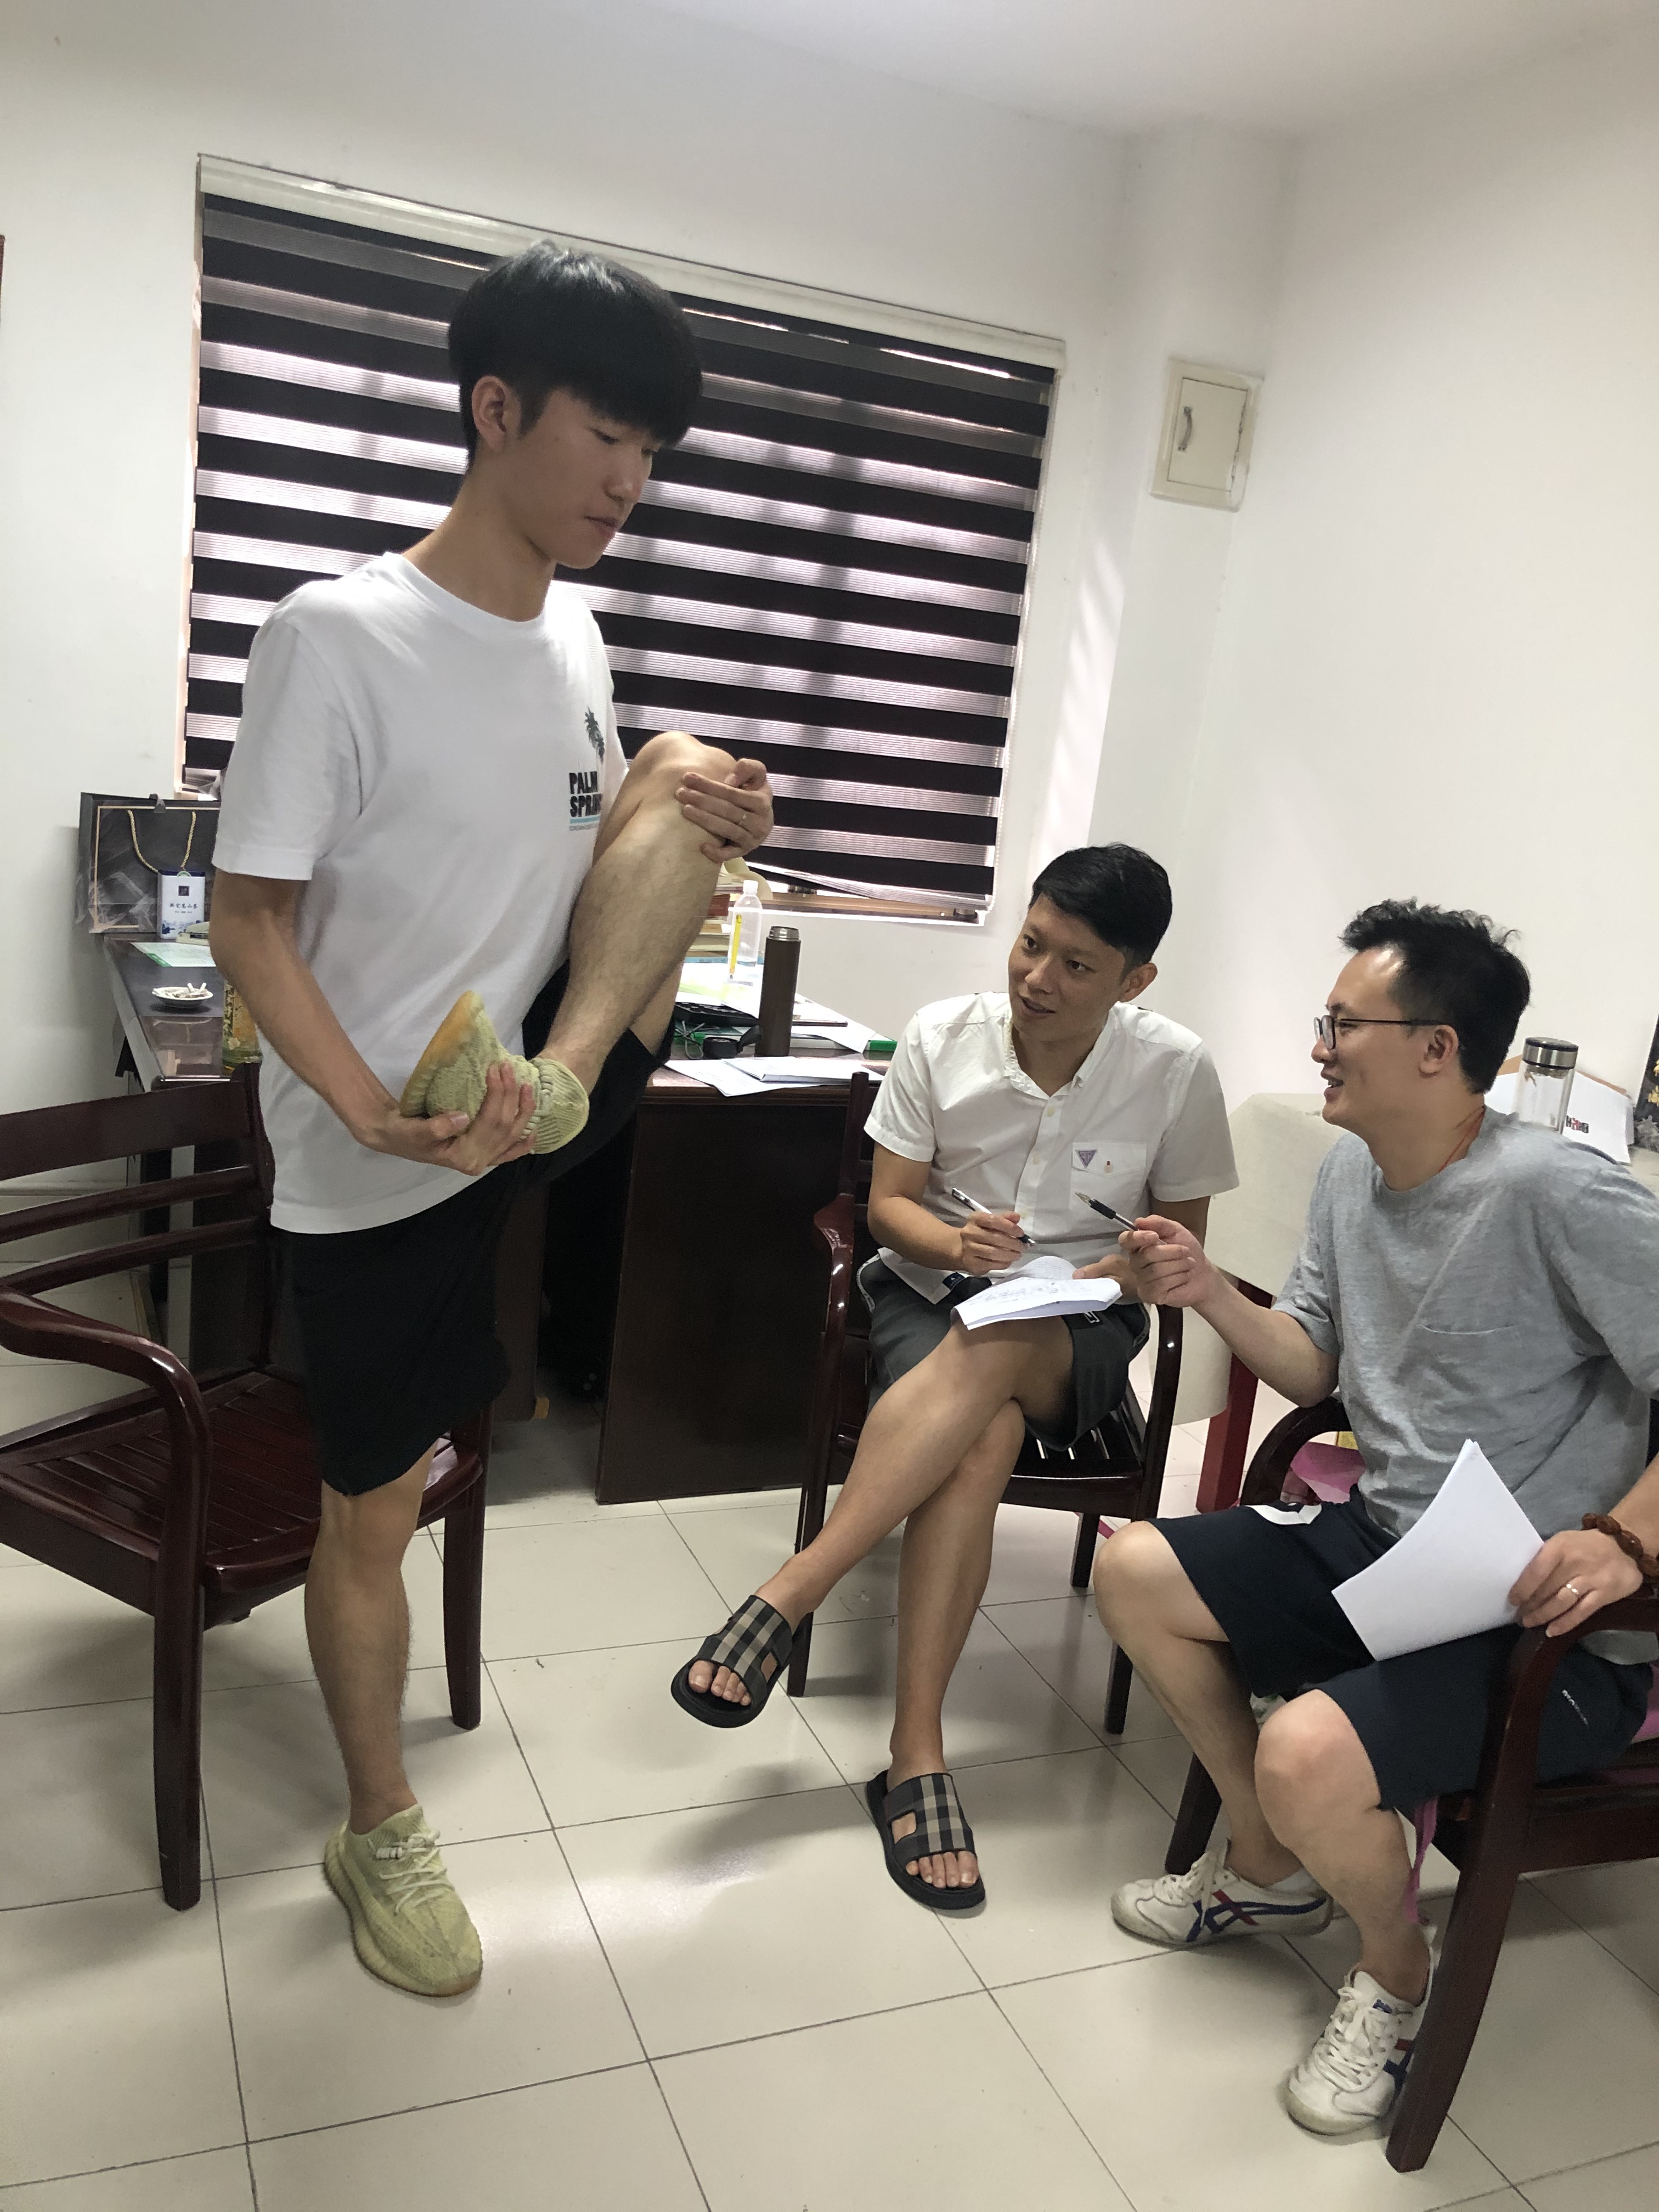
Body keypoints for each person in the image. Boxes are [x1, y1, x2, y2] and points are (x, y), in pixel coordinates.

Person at [210, 244, 775, 1999]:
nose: (632, 483)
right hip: (389, 1152)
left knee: (687, 772)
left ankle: (571, 1075)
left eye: (654, 453)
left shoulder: (577, 635)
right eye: (609, 438)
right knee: (375, 1511)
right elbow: (249, 920)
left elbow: (580, 836)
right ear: (497, 409)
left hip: (532, 1085)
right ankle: (376, 1825)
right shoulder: (336, 636)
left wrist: (686, 790)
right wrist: (368, 1111)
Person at [1097, 900, 1659, 2137]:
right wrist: (1207, 1290)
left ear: (1437, 1049)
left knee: (1306, 1749)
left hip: (1545, 1618)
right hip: (1396, 1551)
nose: (1319, 1048)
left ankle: (1396, 1976)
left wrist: (1625, 1541)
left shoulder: (1560, 1195)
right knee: (1135, 1570)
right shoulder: (1351, 1171)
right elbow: (1312, 1365)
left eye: (1343, 1024)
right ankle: (1266, 1862)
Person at [671, 844, 1238, 1908]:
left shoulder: (1175, 1070)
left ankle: (794, 1590)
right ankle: (916, 1756)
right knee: (982, 1434)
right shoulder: (942, 1036)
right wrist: (954, 1244)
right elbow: (889, 1209)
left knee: (1005, 1342)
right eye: (1031, 944)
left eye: (1076, 965)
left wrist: (1115, 1269)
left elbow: (1177, 1253)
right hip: (932, 1292)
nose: (1038, 978)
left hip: (1078, 1326)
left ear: (1135, 980)